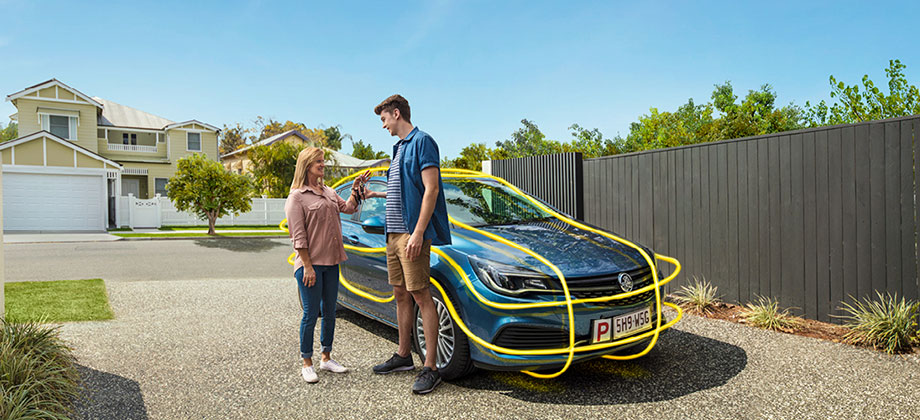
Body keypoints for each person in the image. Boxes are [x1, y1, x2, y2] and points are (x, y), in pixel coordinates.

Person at [364, 94, 452, 394]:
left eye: (384, 119)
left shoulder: (423, 142)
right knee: (400, 294)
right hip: (392, 234)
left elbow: (431, 190)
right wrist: (376, 195)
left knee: (420, 295)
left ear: (397, 113)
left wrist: (418, 232)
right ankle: (403, 356)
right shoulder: (398, 148)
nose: (383, 125)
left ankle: (431, 366)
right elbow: (403, 190)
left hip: (410, 235)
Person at [284, 146, 369, 383]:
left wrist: (356, 189)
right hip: (310, 264)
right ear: (307, 165)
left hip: (332, 262)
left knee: (330, 311)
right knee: (311, 313)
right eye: (319, 162)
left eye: (323, 161)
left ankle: (326, 357)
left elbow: (349, 208)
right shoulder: (297, 197)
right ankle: (306, 362)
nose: (323, 165)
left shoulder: (329, 192)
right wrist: (308, 267)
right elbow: (298, 236)